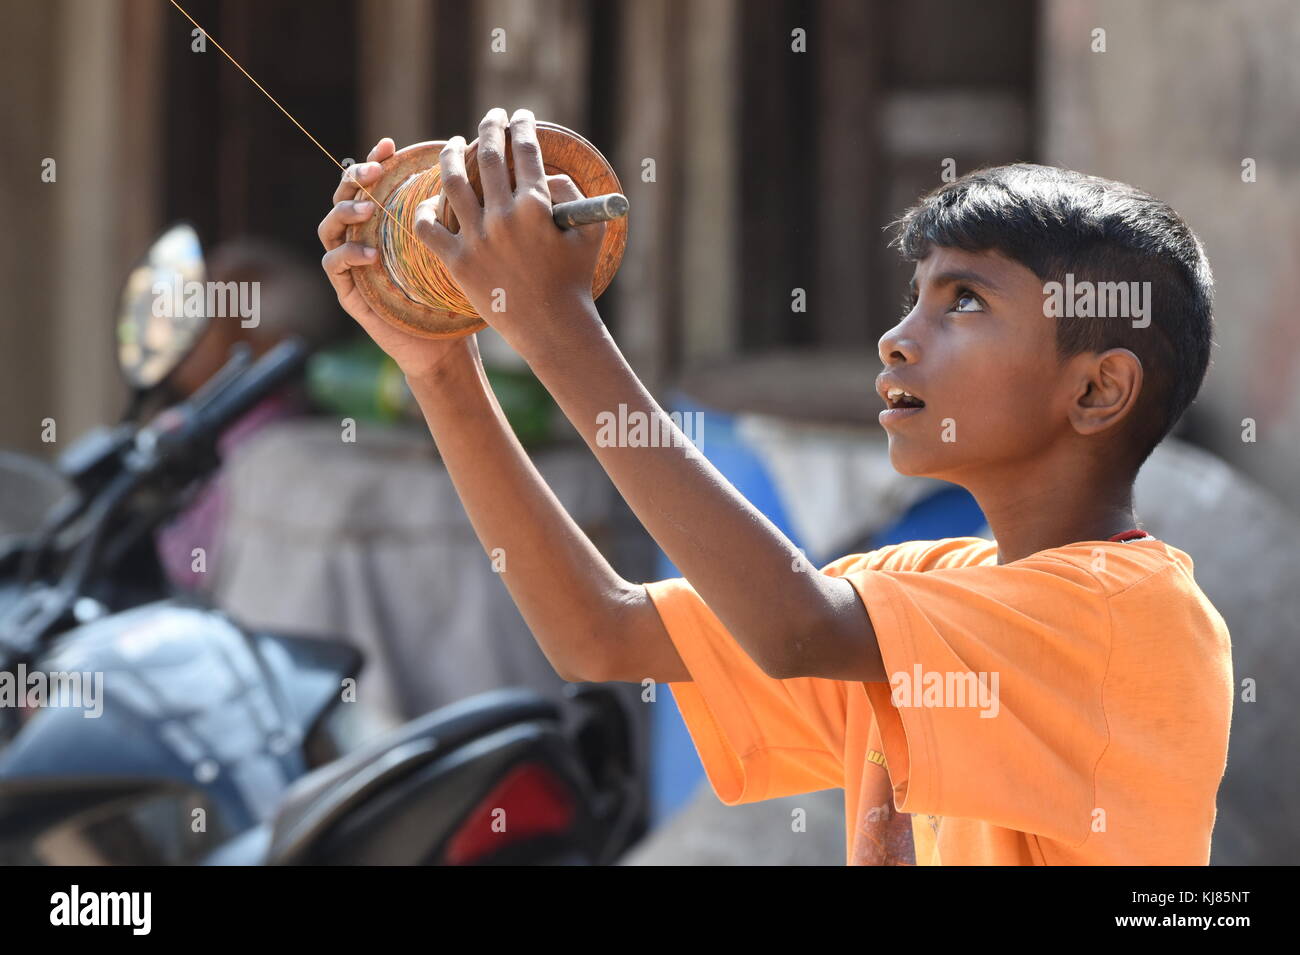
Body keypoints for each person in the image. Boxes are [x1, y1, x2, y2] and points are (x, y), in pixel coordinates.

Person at [317, 108, 1231, 865]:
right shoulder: (928, 585)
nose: (899, 337)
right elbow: (600, 633)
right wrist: (441, 368)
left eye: (964, 302)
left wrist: (552, 320)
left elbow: (794, 628)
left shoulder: (1128, 618)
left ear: (1097, 388)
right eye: (913, 296)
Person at [157, 238, 342, 592]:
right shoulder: (200, 426)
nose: (182, 326)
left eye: (207, 315)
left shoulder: (265, 446)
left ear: (270, 346)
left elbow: (191, 569)